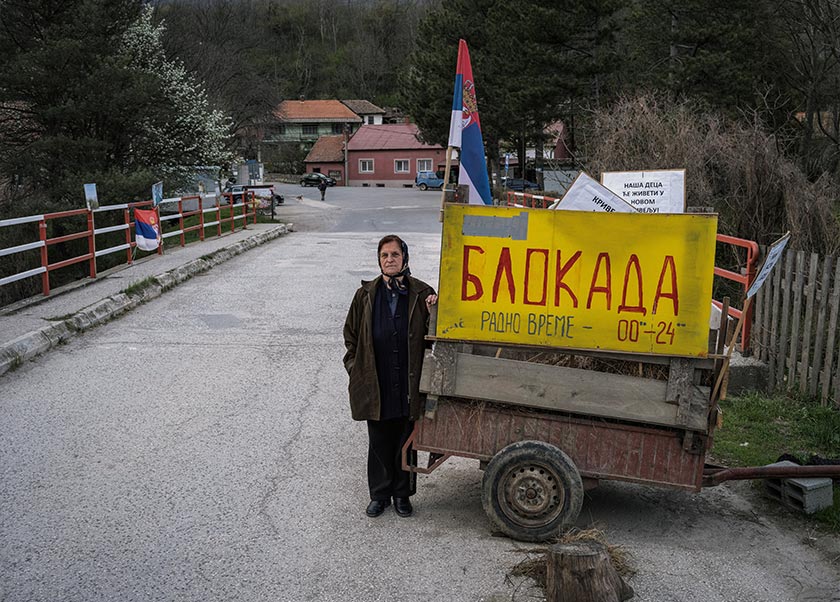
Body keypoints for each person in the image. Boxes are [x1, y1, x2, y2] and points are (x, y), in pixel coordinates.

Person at [343, 235, 437, 518]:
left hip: (408, 380)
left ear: (405, 258)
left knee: (406, 439)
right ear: (379, 260)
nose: (390, 259)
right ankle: (380, 494)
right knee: (379, 440)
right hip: (376, 380)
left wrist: (435, 311)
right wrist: (355, 369)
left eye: (395, 254)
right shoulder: (365, 295)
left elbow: (435, 337)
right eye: (384, 255)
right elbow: (351, 337)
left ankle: (403, 495)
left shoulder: (422, 293)